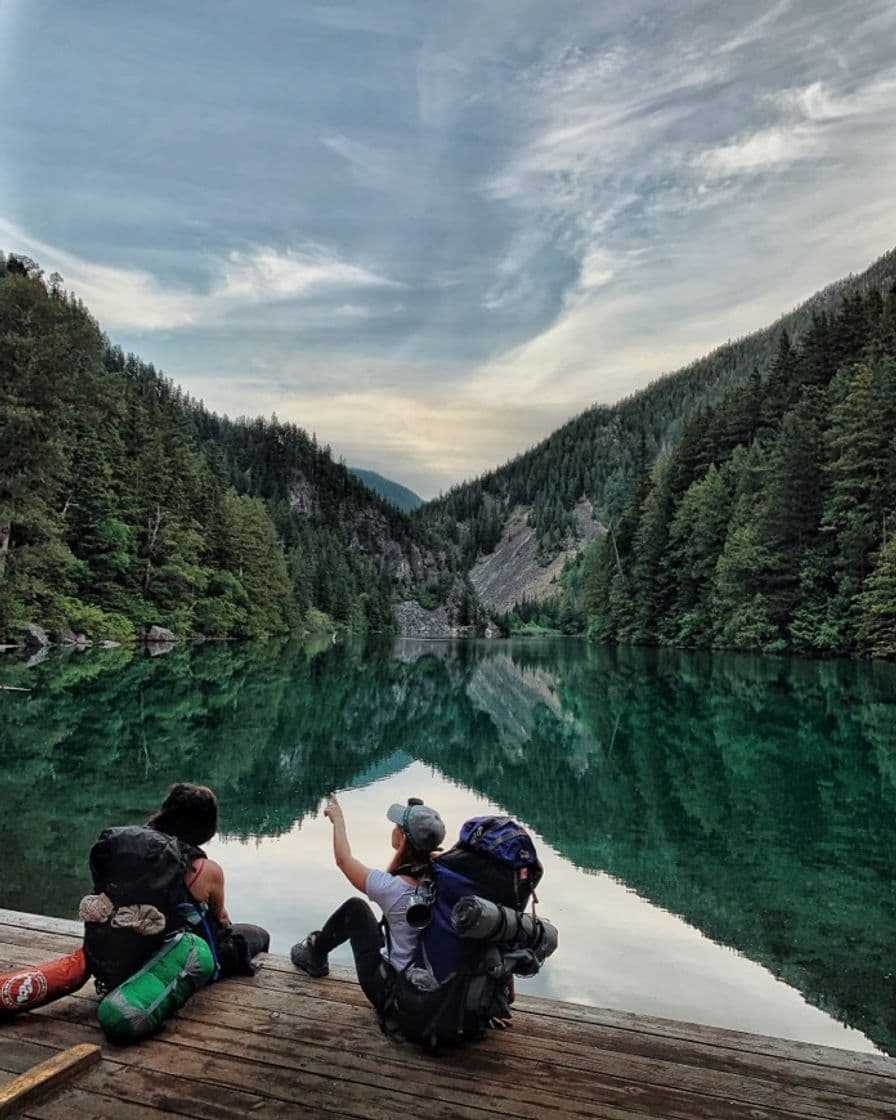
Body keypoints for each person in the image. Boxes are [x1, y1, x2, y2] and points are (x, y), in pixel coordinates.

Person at [289, 793, 445, 1011]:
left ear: (403, 838)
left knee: (356, 909)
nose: (393, 828)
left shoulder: (394, 888)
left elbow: (344, 860)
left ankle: (315, 955)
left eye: (396, 825)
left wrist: (338, 820)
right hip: (433, 993)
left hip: (394, 995)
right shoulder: (445, 879)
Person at [146, 783, 270, 977]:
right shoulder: (205, 869)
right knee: (259, 935)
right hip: (183, 954)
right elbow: (221, 918)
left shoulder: (138, 850)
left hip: (139, 945)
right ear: (207, 825)